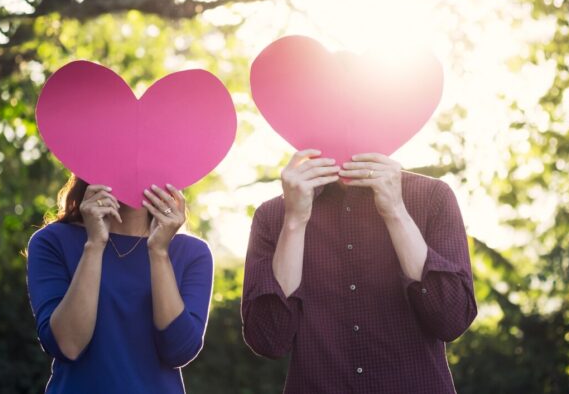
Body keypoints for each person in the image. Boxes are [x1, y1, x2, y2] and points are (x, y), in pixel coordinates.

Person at [241, 149, 477, 393]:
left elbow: (451, 320)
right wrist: (294, 220)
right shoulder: (272, 216)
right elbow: (268, 339)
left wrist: (395, 211)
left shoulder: (432, 197)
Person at [26, 175, 213, 394]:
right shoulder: (51, 241)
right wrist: (94, 244)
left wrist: (159, 252)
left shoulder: (193, 253)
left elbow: (179, 351)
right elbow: (68, 345)